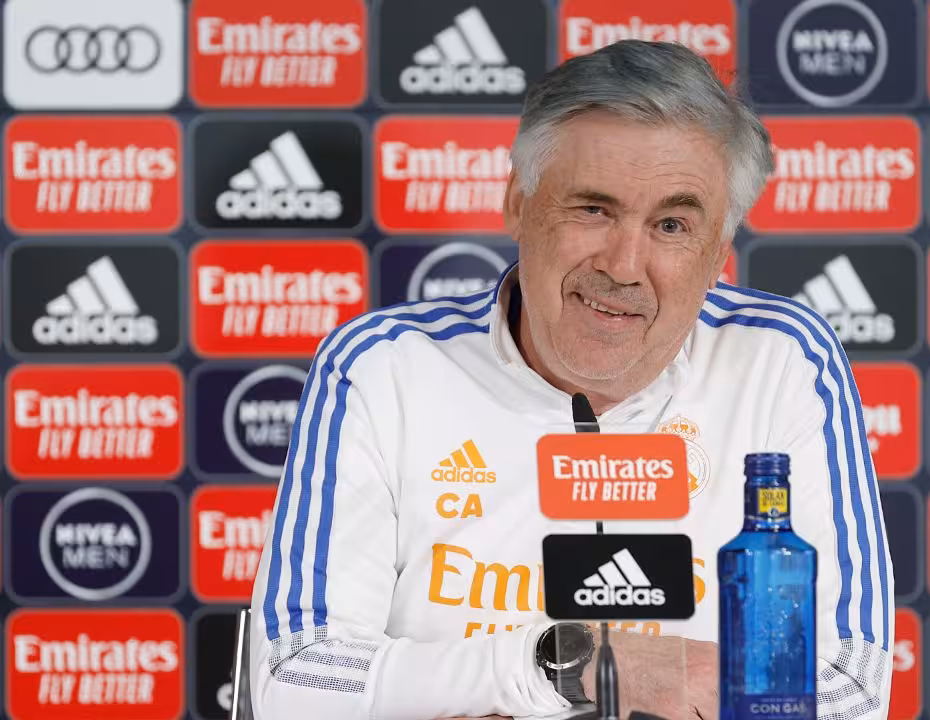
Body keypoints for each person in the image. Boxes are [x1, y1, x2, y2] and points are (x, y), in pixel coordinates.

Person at [248, 40, 894, 720]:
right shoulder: (386, 365)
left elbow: (850, 688)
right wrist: (572, 663)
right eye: (593, 210)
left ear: (717, 256)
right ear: (517, 203)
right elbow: (296, 677)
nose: (623, 265)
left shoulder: (779, 358)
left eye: (671, 224)